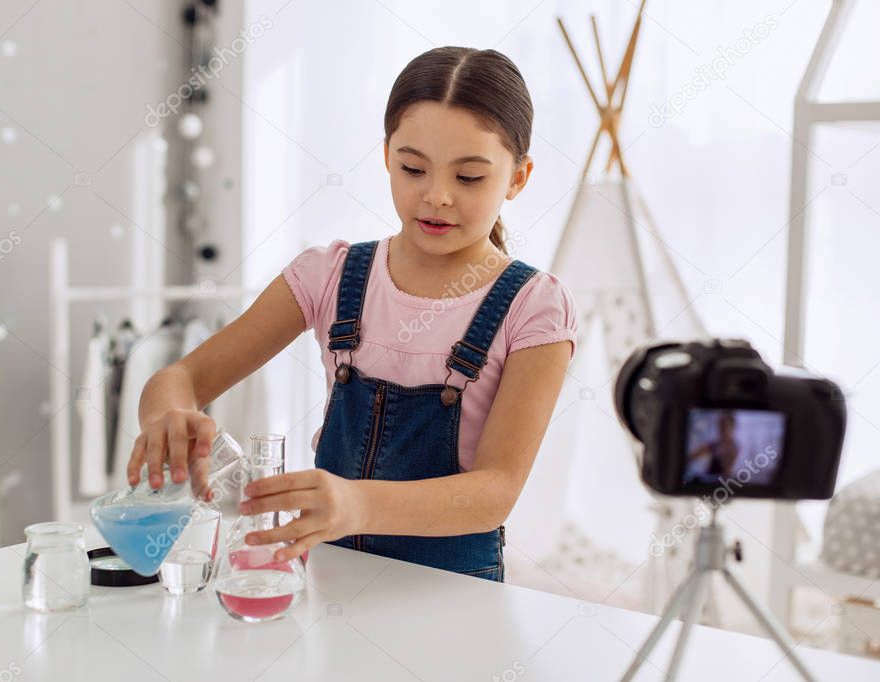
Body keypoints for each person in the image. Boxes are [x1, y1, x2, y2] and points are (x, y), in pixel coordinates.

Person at [126, 46, 579, 582]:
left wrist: (356, 504)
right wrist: (168, 420)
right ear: (387, 156)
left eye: (469, 178)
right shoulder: (329, 276)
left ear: (518, 178)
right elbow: (179, 378)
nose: (436, 196)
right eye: (413, 168)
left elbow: (494, 493)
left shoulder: (535, 307)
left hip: (454, 594)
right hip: (330, 578)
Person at [685, 411, 740, 483]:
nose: (721, 430)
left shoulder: (734, 447)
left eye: (724, 427)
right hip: (709, 478)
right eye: (720, 426)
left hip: (722, 482)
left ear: (732, 428)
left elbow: (727, 471)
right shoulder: (714, 445)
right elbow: (692, 456)